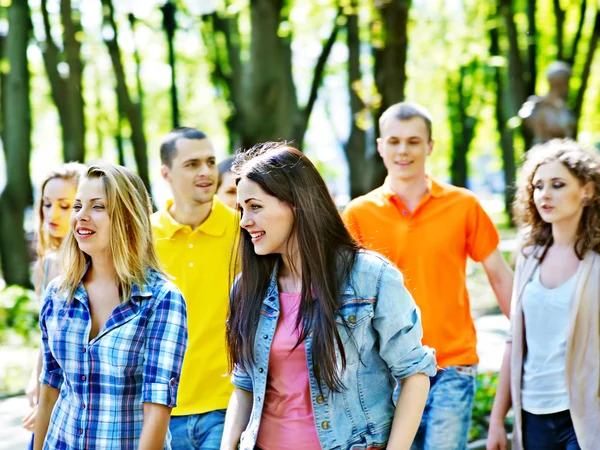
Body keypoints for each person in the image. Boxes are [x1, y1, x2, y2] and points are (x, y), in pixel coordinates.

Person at [221, 143, 436, 450]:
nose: (244, 221)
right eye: (241, 210)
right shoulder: (247, 287)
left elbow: (414, 374)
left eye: (255, 207)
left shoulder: (370, 277)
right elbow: (244, 387)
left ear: (295, 204)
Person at [342, 102, 513, 450]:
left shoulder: (464, 205)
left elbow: (498, 274)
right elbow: (344, 292)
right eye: (394, 141)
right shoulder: (358, 213)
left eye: (414, 141)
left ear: (430, 146)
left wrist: (531, 336)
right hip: (385, 367)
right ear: (380, 146)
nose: (403, 150)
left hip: (451, 364)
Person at [33, 164, 188, 450]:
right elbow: (49, 393)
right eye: (78, 206)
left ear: (127, 218)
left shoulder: (162, 299)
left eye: (98, 206)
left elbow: (157, 408)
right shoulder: (57, 293)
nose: (81, 216)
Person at [486, 140, 600, 450]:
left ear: (587, 190)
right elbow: (514, 339)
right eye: (538, 186)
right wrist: (497, 421)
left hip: (585, 418)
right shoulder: (528, 256)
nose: (544, 194)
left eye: (558, 184)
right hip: (532, 415)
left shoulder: (597, 263)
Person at [152, 127, 239, 449]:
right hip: (160, 406)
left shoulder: (244, 230)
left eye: (211, 162)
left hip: (227, 403)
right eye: (191, 164)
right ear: (166, 173)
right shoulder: (144, 238)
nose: (206, 172)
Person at [21, 163, 85, 445]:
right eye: (47, 204)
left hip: (76, 393)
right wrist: (35, 378)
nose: (53, 214)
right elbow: (47, 335)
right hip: (49, 385)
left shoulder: (94, 263)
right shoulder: (45, 266)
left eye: (65, 205)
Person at [519, 62, 576, 145]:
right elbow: (524, 115)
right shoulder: (537, 103)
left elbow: (569, 129)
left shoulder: (565, 108)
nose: (565, 87)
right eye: (562, 83)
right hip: (543, 151)